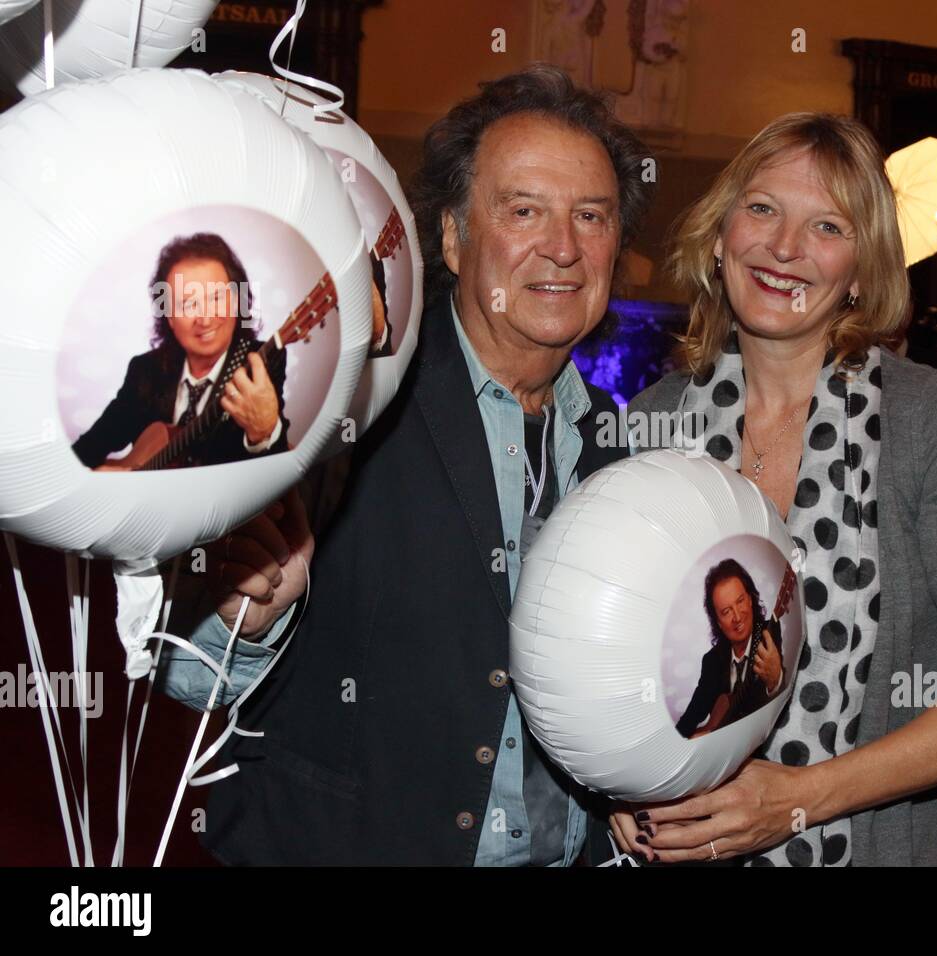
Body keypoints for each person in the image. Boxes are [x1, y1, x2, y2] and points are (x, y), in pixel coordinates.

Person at [157, 65, 653, 865]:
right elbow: (187, 680)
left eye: (591, 216)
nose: (563, 247)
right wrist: (246, 617)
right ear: (452, 237)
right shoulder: (343, 400)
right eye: (523, 210)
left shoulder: (618, 453)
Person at [612, 112, 937, 866]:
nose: (784, 248)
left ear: (861, 272)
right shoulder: (655, 421)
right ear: (719, 238)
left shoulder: (930, 425)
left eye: (827, 228)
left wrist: (797, 798)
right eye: (762, 210)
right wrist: (618, 781)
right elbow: (609, 652)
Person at [72, 233, 289, 470]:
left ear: (236, 301)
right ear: (169, 317)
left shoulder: (262, 362)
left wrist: (265, 430)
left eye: (216, 298)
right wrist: (100, 478)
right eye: (187, 304)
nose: (205, 319)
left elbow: (277, 473)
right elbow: (85, 451)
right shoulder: (145, 371)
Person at [675, 559, 785, 738]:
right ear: (717, 622)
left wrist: (775, 678)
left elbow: (777, 696)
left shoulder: (769, 634)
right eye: (726, 612)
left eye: (740, 601)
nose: (737, 617)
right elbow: (692, 715)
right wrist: (679, 744)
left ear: (750, 599)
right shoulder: (712, 661)